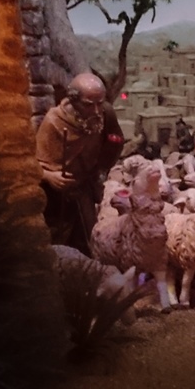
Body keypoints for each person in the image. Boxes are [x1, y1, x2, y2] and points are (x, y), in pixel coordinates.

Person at [35, 73, 124, 255]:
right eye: (89, 105)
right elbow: (33, 163)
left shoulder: (105, 114)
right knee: (56, 243)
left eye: (100, 103)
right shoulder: (54, 122)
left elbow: (115, 140)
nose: (96, 111)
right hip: (56, 196)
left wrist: (101, 168)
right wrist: (49, 176)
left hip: (84, 188)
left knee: (87, 239)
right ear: (74, 101)